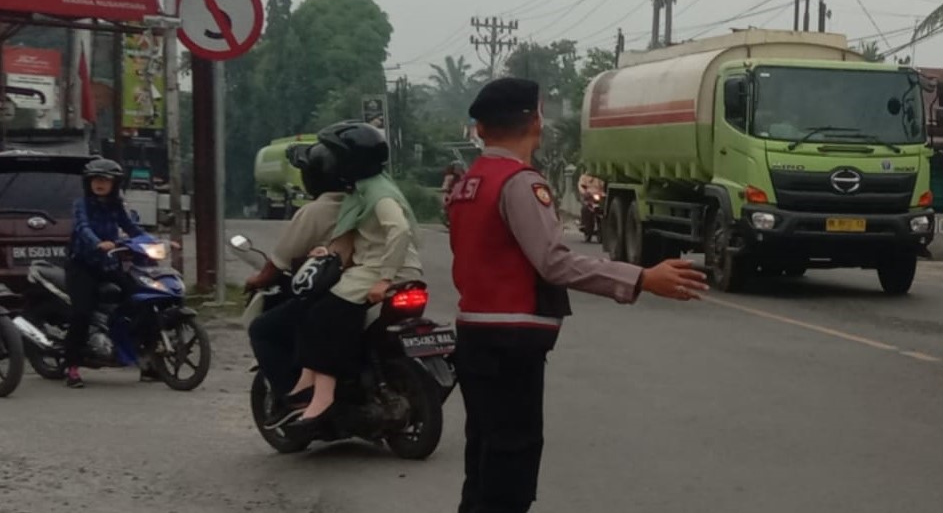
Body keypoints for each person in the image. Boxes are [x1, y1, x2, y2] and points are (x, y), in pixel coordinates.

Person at [447, 78, 708, 513]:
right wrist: (640, 278)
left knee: (484, 460)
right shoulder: (519, 184)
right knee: (510, 466)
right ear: (535, 121)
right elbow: (555, 262)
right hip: (511, 341)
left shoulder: (469, 182)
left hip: (476, 333)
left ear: (479, 129)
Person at [284, 121, 424, 434]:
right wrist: (326, 252)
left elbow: (399, 231)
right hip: (381, 267)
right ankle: (309, 382)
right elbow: (352, 238)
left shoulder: (378, 193)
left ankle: (322, 398)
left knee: (322, 316)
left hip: (384, 269)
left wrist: (385, 278)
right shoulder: (366, 188)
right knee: (325, 316)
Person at [246, 141, 348, 420]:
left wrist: (257, 280)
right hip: (378, 287)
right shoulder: (366, 205)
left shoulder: (315, 211)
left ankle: (297, 398)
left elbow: (278, 262)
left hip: (335, 293)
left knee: (262, 330)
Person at [64, 158, 146, 389]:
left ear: (114, 184)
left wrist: (156, 241)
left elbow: (131, 227)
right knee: (81, 312)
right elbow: (83, 228)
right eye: (96, 180)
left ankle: (143, 357)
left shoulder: (116, 206)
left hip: (109, 265)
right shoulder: (81, 205)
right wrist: (98, 243)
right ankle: (72, 367)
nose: (100, 184)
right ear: (88, 182)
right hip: (82, 266)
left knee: (139, 297)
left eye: (105, 180)